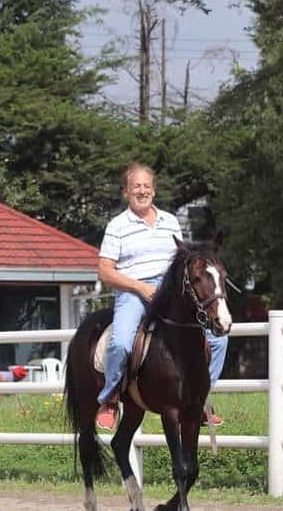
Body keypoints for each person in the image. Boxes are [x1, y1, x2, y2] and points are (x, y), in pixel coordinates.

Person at [96, 162, 228, 431]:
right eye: (136, 186)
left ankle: (201, 399)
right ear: (126, 191)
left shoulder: (170, 221)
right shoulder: (117, 226)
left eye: (147, 186)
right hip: (133, 291)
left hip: (171, 290)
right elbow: (105, 272)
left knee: (218, 340)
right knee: (121, 343)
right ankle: (110, 398)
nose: (142, 191)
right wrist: (140, 287)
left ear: (154, 191)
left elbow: (182, 260)